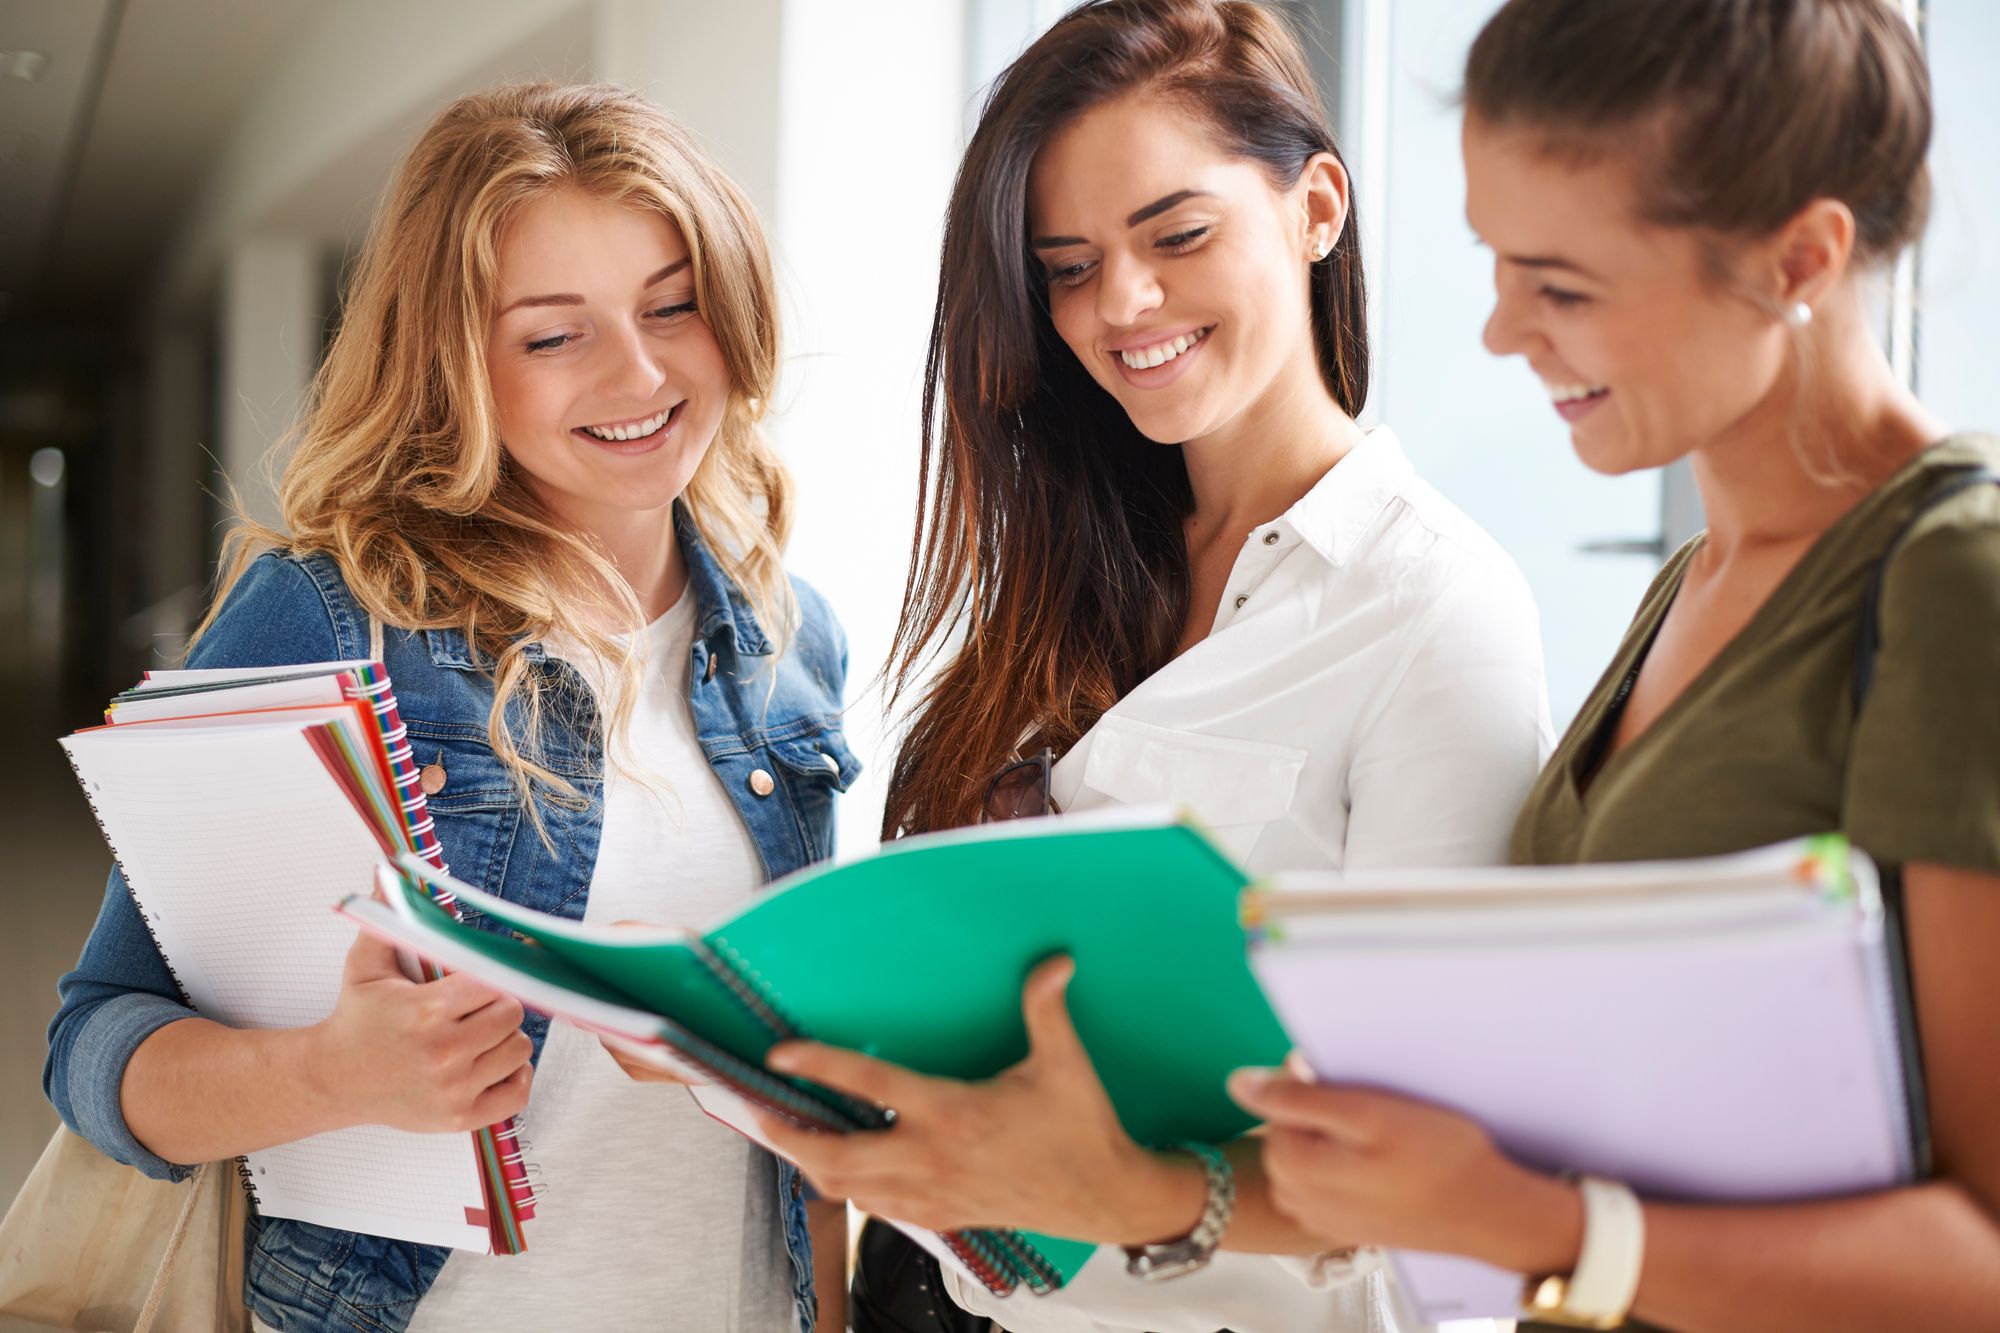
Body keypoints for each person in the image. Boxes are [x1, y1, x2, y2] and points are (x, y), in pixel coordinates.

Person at [754, 3, 1552, 1330]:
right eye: (1068, 267)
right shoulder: (1070, 576)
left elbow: (1442, 1184)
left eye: (1178, 235)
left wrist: (1144, 1190)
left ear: (1317, 207)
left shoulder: (1433, 612)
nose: (1122, 304)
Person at [1230, 2, 2000, 1330]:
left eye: (1563, 286)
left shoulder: (1954, 579)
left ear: (1800, 256)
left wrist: (1528, 1222)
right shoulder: (1687, 583)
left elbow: (1983, 1254)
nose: (1501, 334)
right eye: (1497, 265)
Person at [43, 82, 858, 1333]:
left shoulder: (788, 639)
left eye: (671, 306)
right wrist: (324, 1073)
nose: (637, 371)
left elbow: (797, 1129)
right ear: (454, 359)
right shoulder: (326, 619)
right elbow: (96, 1048)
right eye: (553, 335)